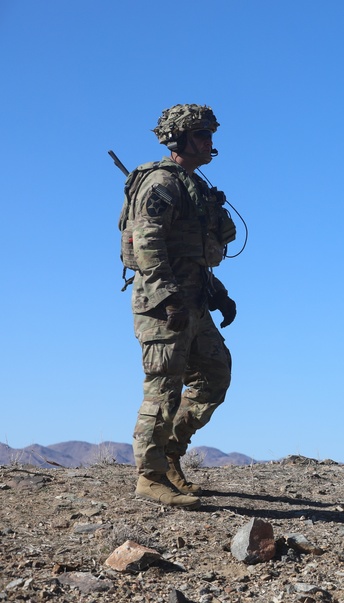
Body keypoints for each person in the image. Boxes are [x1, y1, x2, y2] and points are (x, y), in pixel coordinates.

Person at [121, 103, 238, 509]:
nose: (209, 143)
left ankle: (169, 456)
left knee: (214, 373)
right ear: (179, 138)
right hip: (163, 304)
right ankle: (149, 478)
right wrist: (168, 298)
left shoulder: (194, 187)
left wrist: (217, 291)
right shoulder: (161, 184)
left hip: (194, 301)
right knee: (163, 388)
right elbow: (148, 245)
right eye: (202, 135)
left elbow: (193, 253)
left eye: (210, 135)